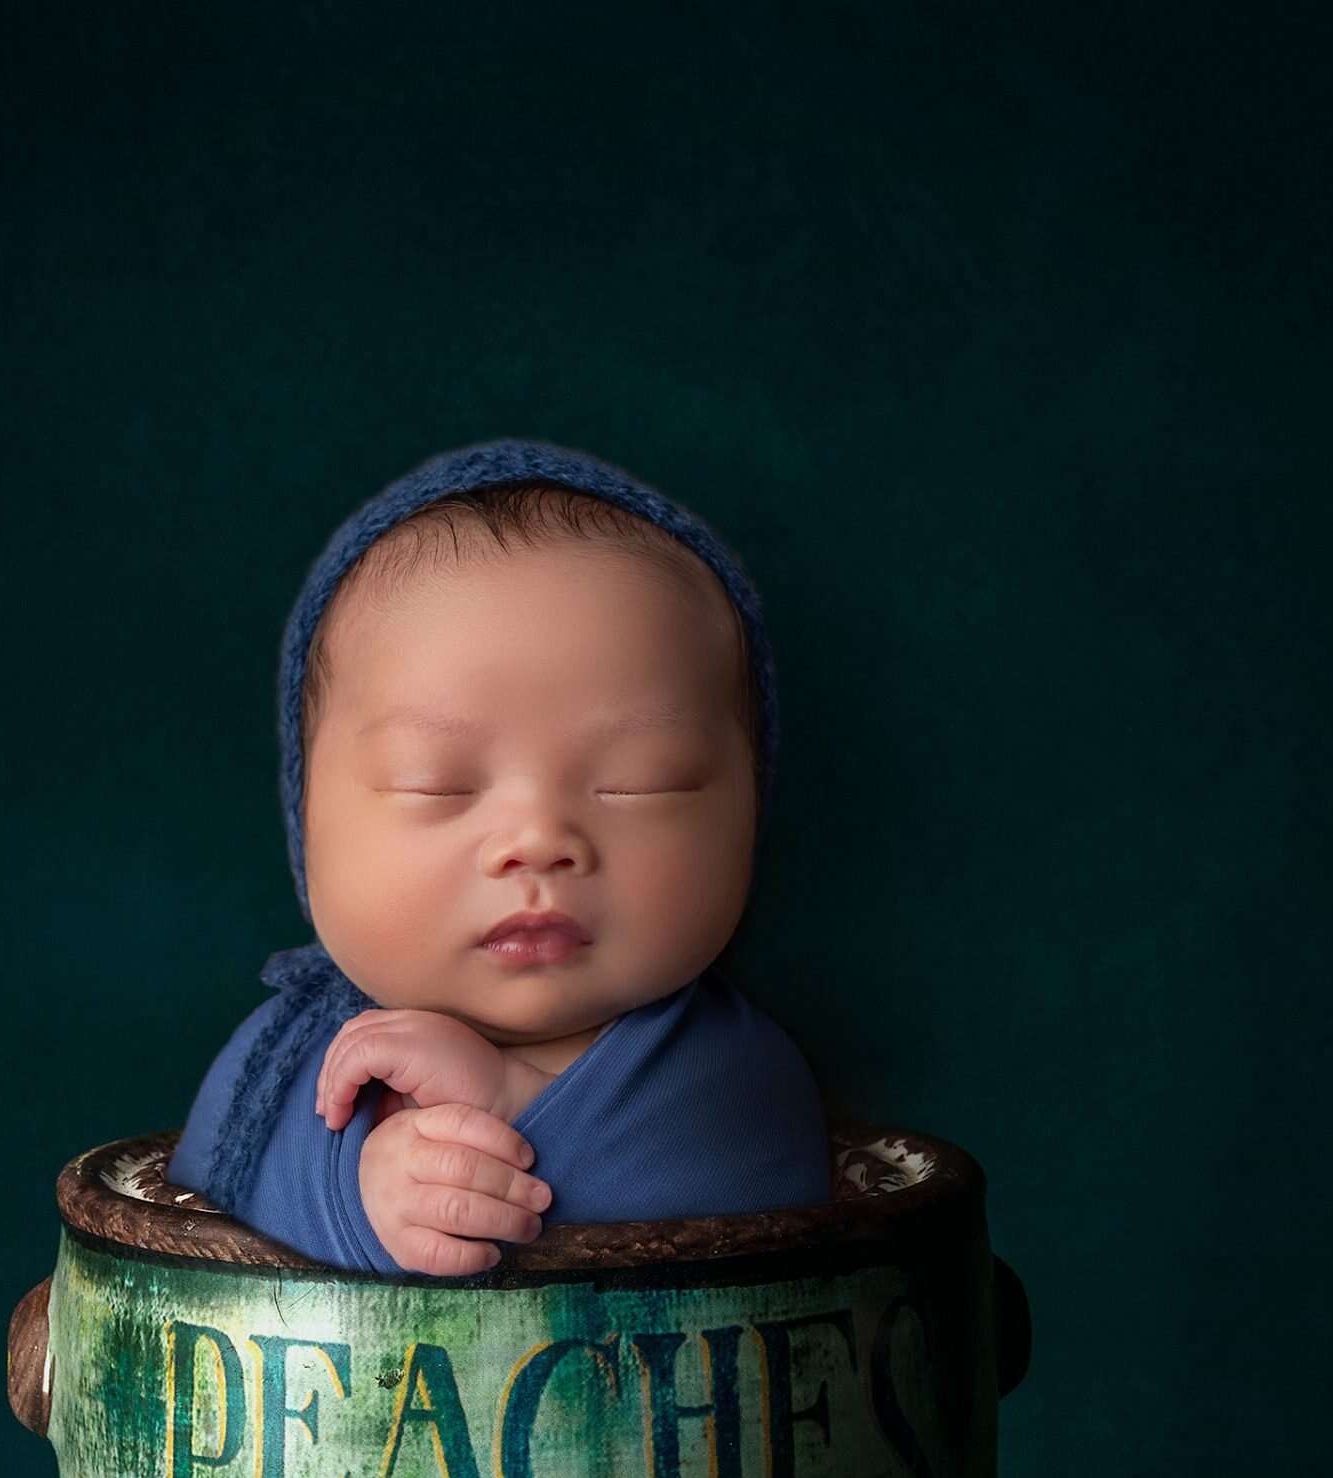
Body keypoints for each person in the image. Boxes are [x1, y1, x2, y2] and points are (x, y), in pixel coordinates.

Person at [165, 437, 834, 1277]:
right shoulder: (285, 1058)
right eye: (435, 784)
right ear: (309, 823)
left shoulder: (730, 1072)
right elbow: (195, 1220)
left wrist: (507, 1110)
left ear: (746, 813)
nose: (538, 841)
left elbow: (745, 1219)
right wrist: (360, 1200)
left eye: (638, 783)